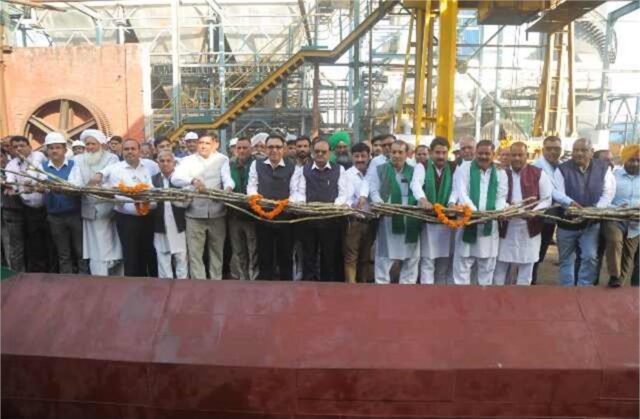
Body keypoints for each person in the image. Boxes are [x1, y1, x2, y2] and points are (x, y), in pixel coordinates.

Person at [92, 139, 159, 277]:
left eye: (133, 149)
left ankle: (149, 282)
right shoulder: (115, 168)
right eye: (126, 149)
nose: (130, 152)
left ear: (139, 151)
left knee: (148, 251)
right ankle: (132, 284)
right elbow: (100, 176)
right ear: (122, 152)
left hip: (147, 217)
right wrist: (98, 176)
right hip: (126, 219)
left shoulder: (149, 166)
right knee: (130, 254)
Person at [553, 138, 615, 286]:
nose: (579, 153)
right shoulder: (562, 169)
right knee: (566, 259)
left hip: (590, 223)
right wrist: (570, 204)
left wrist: (595, 209)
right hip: (566, 222)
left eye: (583, 150)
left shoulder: (603, 168)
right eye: (576, 150)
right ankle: (567, 289)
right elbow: (557, 192)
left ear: (592, 152)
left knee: (590, 256)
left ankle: (584, 288)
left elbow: (609, 192)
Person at [172, 132, 234, 279]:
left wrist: (228, 188)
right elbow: (175, 178)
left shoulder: (222, 159)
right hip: (194, 213)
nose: (203, 146)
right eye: (201, 143)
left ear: (215, 145)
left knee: (217, 251)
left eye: (207, 143)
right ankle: (198, 284)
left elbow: (227, 179)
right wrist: (192, 180)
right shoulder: (187, 161)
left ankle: (215, 282)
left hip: (217, 213)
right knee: (195, 253)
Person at [493, 142, 552, 285]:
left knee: (526, 268)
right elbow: (498, 197)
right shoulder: (502, 174)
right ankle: (499, 296)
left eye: (520, 155)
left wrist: (534, 212)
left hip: (530, 227)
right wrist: (505, 209)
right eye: (514, 155)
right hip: (506, 227)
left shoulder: (538, 173)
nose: (517, 158)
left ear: (527, 156)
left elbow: (547, 199)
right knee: (500, 267)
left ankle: (521, 297)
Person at [450, 140, 508, 285]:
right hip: (468, 221)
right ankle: (461, 296)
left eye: (487, 153)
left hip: (489, 224)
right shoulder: (464, 169)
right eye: (480, 153)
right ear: (475, 153)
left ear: (493, 154)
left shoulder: (500, 172)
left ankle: (483, 296)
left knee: (486, 267)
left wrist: (496, 212)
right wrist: (475, 213)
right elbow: (462, 193)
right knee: (462, 265)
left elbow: (501, 196)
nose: (483, 156)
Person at [291, 139, 347, 281]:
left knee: (329, 256)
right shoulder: (303, 170)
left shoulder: (339, 170)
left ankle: (327, 285)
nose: (320, 154)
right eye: (317, 151)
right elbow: (300, 192)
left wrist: (334, 207)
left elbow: (343, 193)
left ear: (330, 153)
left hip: (331, 220)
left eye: (324, 152)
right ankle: (309, 284)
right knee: (309, 255)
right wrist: (303, 205)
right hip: (309, 220)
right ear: (312, 152)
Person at [68, 129, 123, 275]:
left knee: (110, 243)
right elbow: (75, 181)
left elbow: (114, 180)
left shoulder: (111, 159)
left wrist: (98, 186)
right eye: (88, 144)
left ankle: (112, 272)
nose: (90, 147)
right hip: (89, 209)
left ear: (101, 144)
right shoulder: (78, 160)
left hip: (108, 210)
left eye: (93, 144)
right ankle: (98, 275)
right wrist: (85, 186)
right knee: (94, 246)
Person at [247, 133, 296, 281]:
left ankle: (286, 286)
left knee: (285, 255)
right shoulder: (256, 165)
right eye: (270, 147)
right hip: (262, 216)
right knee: (264, 254)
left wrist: (286, 204)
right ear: (265, 149)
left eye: (278, 147)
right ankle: (265, 288)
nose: (274, 150)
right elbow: (252, 186)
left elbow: (295, 191)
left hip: (285, 218)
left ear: (284, 149)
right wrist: (255, 199)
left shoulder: (293, 167)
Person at [370, 141, 420, 284]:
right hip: (388, 218)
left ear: (407, 154)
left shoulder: (414, 170)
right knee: (384, 256)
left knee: (411, 258)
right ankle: (381, 287)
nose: (397, 155)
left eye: (400, 152)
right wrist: (381, 205)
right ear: (390, 153)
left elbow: (419, 190)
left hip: (410, 219)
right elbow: (374, 190)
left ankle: (407, 288)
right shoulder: (380, 169)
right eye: (394, 152)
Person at [410, 136, 457, 284]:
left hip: (447, 220)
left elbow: (456, 188)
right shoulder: (422, 166)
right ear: (431, 152)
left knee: (444, 261)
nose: (441, 156)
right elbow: (416, 184)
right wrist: (423, 199)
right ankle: (427, 293)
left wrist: (452, 202)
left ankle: (440, 293)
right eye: (437, 152)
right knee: (427, 261)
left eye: (444, 153)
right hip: (428, 219)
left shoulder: (454, 167)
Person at [40, 133, 88, 274]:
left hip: (74, 214)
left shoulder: (74, 165)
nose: (54, 151)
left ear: (65, 150)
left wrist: (57, 187)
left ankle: (84, 279)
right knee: (63, 252)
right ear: (47, 151)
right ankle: (66, 280)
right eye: (51, 148)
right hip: (54, 216)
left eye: (57, 147)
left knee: (80, 250)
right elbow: (38, 184)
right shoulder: (41, 167)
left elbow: (77, 185)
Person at [4, 135, 50, 272]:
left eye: (22, 146)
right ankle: (39, 273)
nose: (18, 149)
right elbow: (10, 180)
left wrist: (31, 184)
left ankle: (53, 271)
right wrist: (12, 187)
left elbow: (38, 174)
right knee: (35, 243)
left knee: (51, 241)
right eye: (15, 147)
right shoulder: (12, 164)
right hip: (29, 209)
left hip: (47, 207)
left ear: (30, 147)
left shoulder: (38, 157)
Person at [602, 144, 639, 287]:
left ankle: (618, 286)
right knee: (615, 240)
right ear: (624, 159)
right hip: (614, 218)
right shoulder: (613, 176)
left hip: (636, 224)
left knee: (627, 256)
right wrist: (616, 208)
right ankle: (614, 275)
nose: (635, 164)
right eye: (631, 160)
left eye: (638, 160)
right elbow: (605, 198)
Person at [531, 135, 563, 284]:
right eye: (549, 149)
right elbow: (551, 192)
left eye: (556, 149)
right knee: (535, 250)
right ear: (543, 150)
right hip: (540, 215)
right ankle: (530, 281)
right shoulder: (537, 167)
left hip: (554, 215)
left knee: (542, 249)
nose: (553, 152)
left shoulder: (561, 166)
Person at [342, 142, 375, 283]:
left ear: (369, 156)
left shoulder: (374, 173)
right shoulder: (347, 175)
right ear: (351, 157)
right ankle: (351, 288)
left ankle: (364, 286)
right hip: (354, 221)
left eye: (363, 156)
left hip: (372, 221)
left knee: (366, 257)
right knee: (351, 257)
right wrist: (353, 205)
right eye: (356, 156)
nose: (360, 159)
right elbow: (345, 197)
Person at [152, 151, 188, 279]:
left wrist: (175, 200)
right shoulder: (153, 180)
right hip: (160, 225)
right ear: (157, 163)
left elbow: (187, 202)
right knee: (162, 257)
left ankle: (182, 287)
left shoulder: (181, 179)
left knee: (181, 257)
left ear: (174, 163)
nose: (165, 164)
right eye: (162, 161)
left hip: (178, 224)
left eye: (168, 161)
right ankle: (164, 287)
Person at [228, 137, 258, 280]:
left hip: (252, 215)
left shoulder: (257, 164)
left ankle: (254, 278)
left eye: (245, 148)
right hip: (234, 215)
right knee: (238, 250)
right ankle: (243, 278)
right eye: (239, 148)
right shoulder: (229, 165)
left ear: (251, 149)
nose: (241, 151)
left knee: (253, 250)